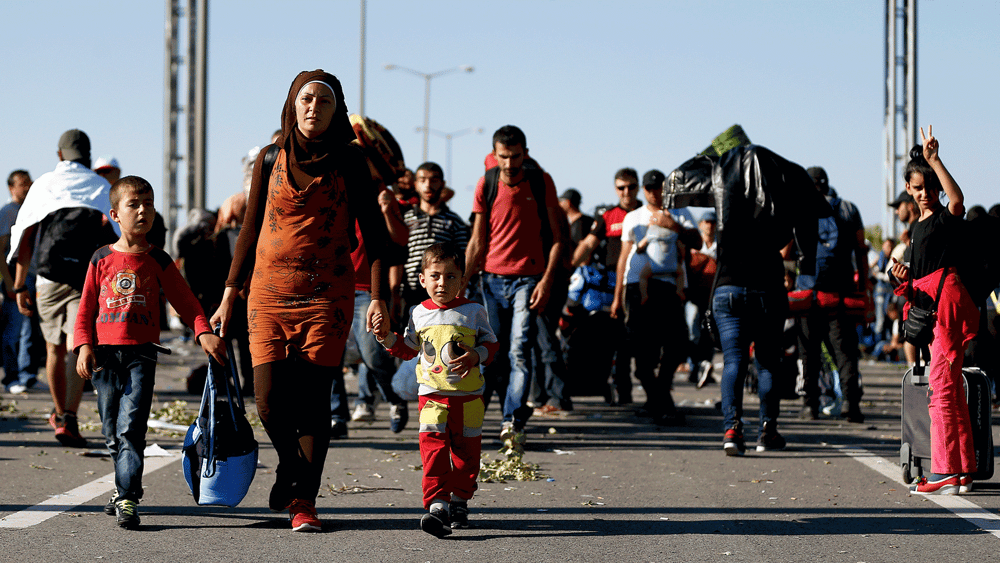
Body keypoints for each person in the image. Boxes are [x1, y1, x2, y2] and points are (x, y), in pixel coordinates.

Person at [212, 70, 390, 531]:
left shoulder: (351, 162)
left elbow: (375, 235)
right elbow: (249, 230)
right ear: (293, 105)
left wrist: (380, 298)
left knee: (313, 404)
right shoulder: (270, 158)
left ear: (337, 112)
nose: (314, 108)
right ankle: (292, 469)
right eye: (306, 99)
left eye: (324, 102)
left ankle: (302, 501)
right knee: (268, 401)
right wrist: (229, 294)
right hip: (267, 295)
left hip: (326, 297)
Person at [73, 175, 225, 529]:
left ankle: (127, 496)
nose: (143, 211)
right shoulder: (100, 260)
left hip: (141, 354)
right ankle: (122, 487)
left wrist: (203, 332)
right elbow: (85, 310)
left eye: (149, 205)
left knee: (131, 428)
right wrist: (83, 346)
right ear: (114, 214)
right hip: (104, 356)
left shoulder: (158, 259)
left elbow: (186, 302)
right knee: (111, 430)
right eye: (134, 205)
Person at [373, 243, 497, 538]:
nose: (443, 283)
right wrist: (386, 337)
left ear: (463, 280)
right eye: (436, 276)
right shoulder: (418, 313)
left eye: (452, 276)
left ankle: (460, 500)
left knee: (467, 456)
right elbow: (408, 349)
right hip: (431, 398)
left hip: (469, 400)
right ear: (423, 279)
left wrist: (475, 355)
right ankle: (437, 506)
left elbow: (492, 346)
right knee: (433, 452)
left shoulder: (474, 311)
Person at [8, 129, 119, 448]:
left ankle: (59, 413)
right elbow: (117, 231)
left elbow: (25, 234)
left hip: (48, 277)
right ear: (86, 154)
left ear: (60, 155)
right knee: (76, 345)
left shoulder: (44, 184)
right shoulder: (98, 185)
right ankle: (69, 416)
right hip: (85, 278)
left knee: (53, 347)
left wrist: (19, 285)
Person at [890, 127, 979, 495]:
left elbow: (957, 200)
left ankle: (943, 471)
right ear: (909, 191)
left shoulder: (943, 217)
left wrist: (934, 160)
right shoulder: (916, 229)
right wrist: (903, 279)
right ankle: (960, 471)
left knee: (941, 390)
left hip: (947, 310)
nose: (925, 193)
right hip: (934, 309)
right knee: (952, 393)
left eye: (929, 186)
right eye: (918, 187)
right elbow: (921, 279)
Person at [464, 125, 563, 447]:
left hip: (527, 280)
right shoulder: (487, 183)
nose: (509, 164)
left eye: (515, 156)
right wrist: (460, 285)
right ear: (494, 155)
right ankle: (484, 417)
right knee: (492, 353)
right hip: (490, 281)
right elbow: (477, 241)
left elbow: (558, 239)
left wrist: (546, 282)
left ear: (526, 153)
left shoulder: (541, 181)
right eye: (503, 157)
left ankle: (512, 421)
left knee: (519, 350)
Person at [610, 170, 690, 425]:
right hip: (637, 287)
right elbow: (624, 256)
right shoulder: (634, 218)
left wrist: (673, 226)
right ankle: (662, 403)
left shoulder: (680, 213)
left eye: (658, 188)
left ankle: (658, 397)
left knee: (677, 344)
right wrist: (617, 296)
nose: (654, 192)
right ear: (644, 191)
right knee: (642, 351)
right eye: (649, 188)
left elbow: (697, 242)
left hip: (669, 285)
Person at [794, 167, 869, 423]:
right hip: (841, 292)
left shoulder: (799, 209)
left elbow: (784, 252)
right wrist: (863, 286)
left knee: (809, 353)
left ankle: (810, 405)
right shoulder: (848, 208)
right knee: (845, 352)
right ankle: (851, 404)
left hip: (808, 291)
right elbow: (861, 250)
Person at [570, 168, 643, 404]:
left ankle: (652, 390)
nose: (626, 192)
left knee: (641, 341)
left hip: (644, 282)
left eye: (631, 186)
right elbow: (589, 244)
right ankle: (623, 391)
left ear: (638, 187)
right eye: (621, 187)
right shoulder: (609, 216)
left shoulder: (648, 213)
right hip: (614, 286)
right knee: (618, 340)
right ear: (615, 189)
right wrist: (569, 267)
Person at [1, 171, 40, 394]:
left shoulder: (32, 210)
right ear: (11, 188)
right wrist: (9, 282)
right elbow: (1, 251)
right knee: (14, 330)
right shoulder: (7, 213)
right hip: (15, 280)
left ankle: (27, 375)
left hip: (33, 277)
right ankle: (12, 377)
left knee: (29, 330)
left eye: (29, 183)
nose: (27, 187)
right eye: (23, 184)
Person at [559, 188, 594, 255]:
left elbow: (584, 248)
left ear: (568, 203)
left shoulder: (581, 224)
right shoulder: (582, 221)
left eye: (561, 201)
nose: (559, 204)